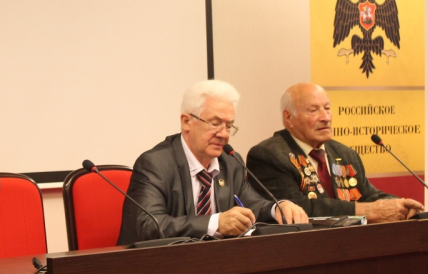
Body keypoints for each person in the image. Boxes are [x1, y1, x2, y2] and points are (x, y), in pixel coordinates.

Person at [117, 80, 308, 245]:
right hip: (154, 266)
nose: (224, 134)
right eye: (215, 124)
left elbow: (252, 204)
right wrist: (215, 224)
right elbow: (149, 226)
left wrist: (277, 208)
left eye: (229, 126)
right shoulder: (155, 164)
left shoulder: (230, 162)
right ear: (186, 122)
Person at [246, 82, 423, 222]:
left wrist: (400, 205)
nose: (325, 118)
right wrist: (367, 211)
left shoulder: (344, 153)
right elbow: (299, 208)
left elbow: (367, 195)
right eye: (313, 110)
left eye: (327, 108)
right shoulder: (268, 155)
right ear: (289, 118)